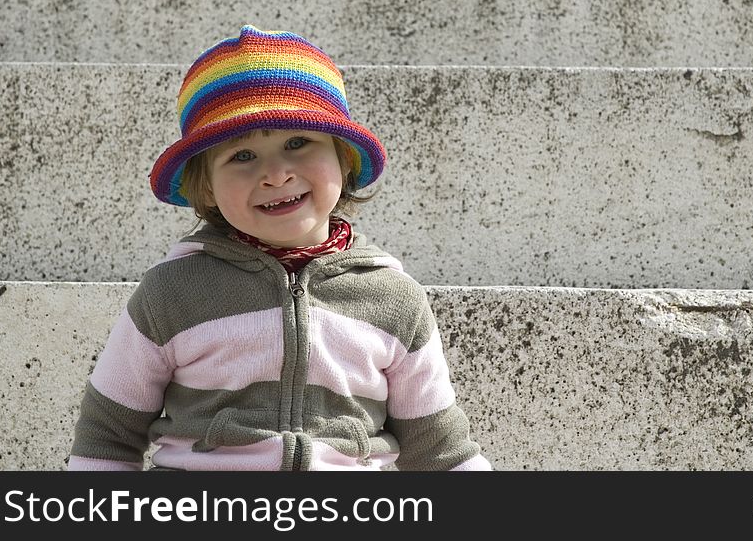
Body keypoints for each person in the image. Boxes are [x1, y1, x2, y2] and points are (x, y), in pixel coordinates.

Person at [68, 25, 491, 471]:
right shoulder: (170, 294)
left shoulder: (394, 300)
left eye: (297, 142)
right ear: (206, 187)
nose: (275, 174)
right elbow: (107, 435)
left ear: (344, 159)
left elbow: (440, 451)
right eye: (242, 156)